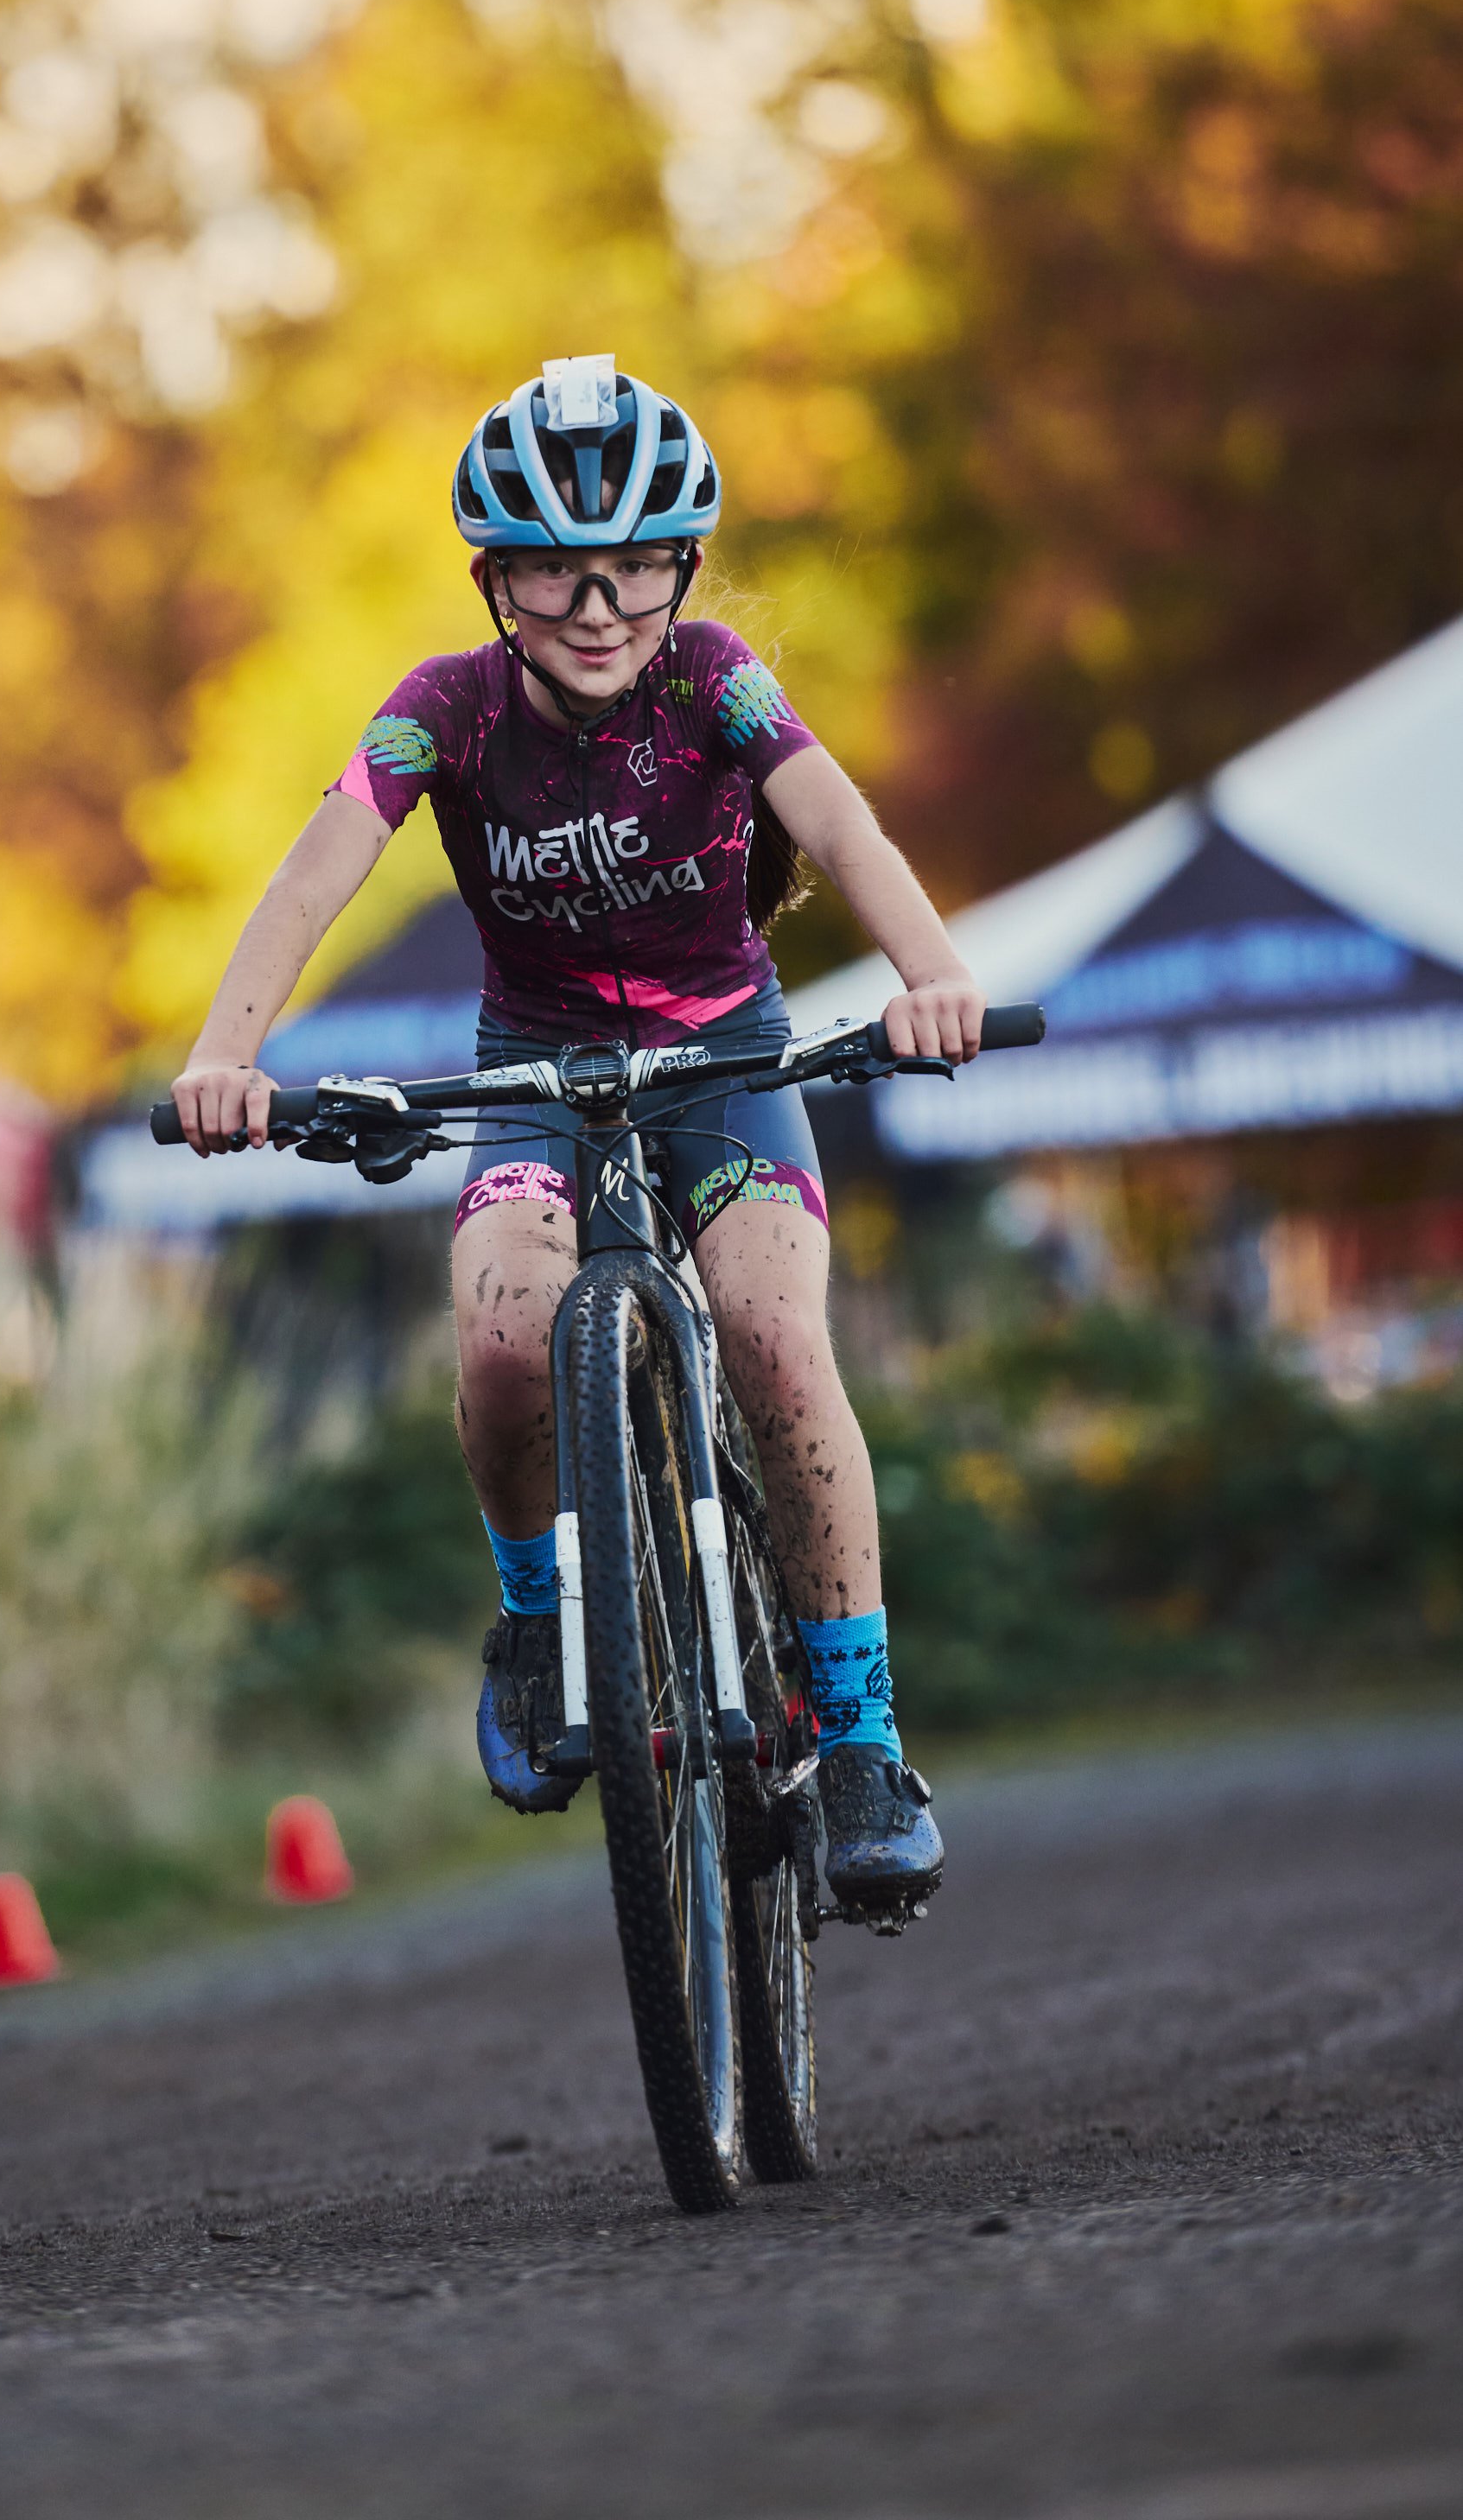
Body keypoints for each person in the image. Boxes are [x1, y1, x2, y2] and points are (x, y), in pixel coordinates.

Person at [170, 359, 985, 1913]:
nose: (599, 608)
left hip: (725, 1054)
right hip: (536, 1071)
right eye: (554, 570)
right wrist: (228, 1053)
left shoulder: (717, 679)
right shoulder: (443, 712)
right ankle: (542, 1622)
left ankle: (863, 1741)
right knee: (500, 1343)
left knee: (774, 1333)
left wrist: (932, 975)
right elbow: (315, 869)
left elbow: (835, 819)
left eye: (636, 567)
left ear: (685, 566)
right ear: (496, 582)